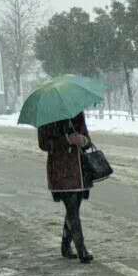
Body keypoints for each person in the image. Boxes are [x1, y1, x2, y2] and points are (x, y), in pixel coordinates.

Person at [37, 111, 93, 262]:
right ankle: (82, 251)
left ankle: (65, 246)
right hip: (61, 171)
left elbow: (88, 140)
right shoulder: (47, 115)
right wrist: (67, 140)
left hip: (80, 171)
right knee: (72, 210)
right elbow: (43, 144)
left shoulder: (77, 113)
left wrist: (84, 140)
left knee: (73, 210)